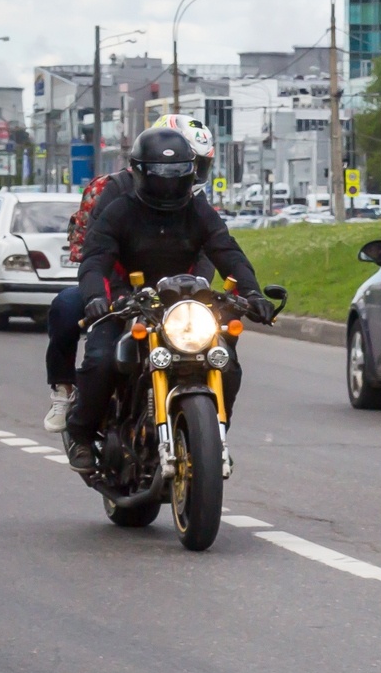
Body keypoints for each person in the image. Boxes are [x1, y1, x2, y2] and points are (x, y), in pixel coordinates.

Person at [63, 127, 268, 471]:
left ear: (190, 172)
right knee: (101, 359)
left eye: (177, 173)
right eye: (159, 173)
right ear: (139, 172)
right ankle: (80, 433)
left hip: (183, 302)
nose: (168, 182)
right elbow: (95, 259)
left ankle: (212, 438)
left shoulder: (199, 210)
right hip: (126, 300)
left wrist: (252, 293)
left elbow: (227, 251)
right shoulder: (119, 210)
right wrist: (97, 297)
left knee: (225, 361)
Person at [44, 115, 217, 432]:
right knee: (69, 312)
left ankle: (212, 432)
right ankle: (65, 393)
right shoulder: (112, 191)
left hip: (176, 297)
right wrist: (110, 295)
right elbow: (96, 251)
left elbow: (213, 249)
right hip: (118, 289)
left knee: (221, 350)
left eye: (195, 165)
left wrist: (203, 288)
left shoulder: (197, 202)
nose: (180, 175)